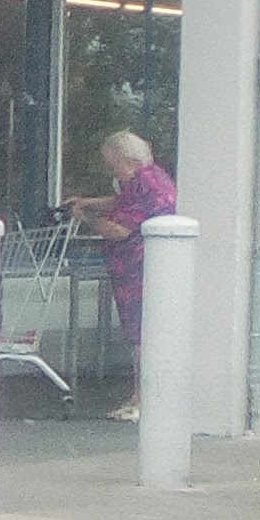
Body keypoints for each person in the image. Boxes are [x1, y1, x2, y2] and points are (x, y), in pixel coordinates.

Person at [66, 129, 178, 421]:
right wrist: (90, 201)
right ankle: (141, 395)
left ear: (129, 161)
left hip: (139, 269)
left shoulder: (145, 184)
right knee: (142, 332)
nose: (112, 172)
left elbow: (119, 229)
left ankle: (143, 398)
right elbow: (122, 202)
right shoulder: (150, 179)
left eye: (114, 165)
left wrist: (87, 218)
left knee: (141, 333)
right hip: (139, 267)